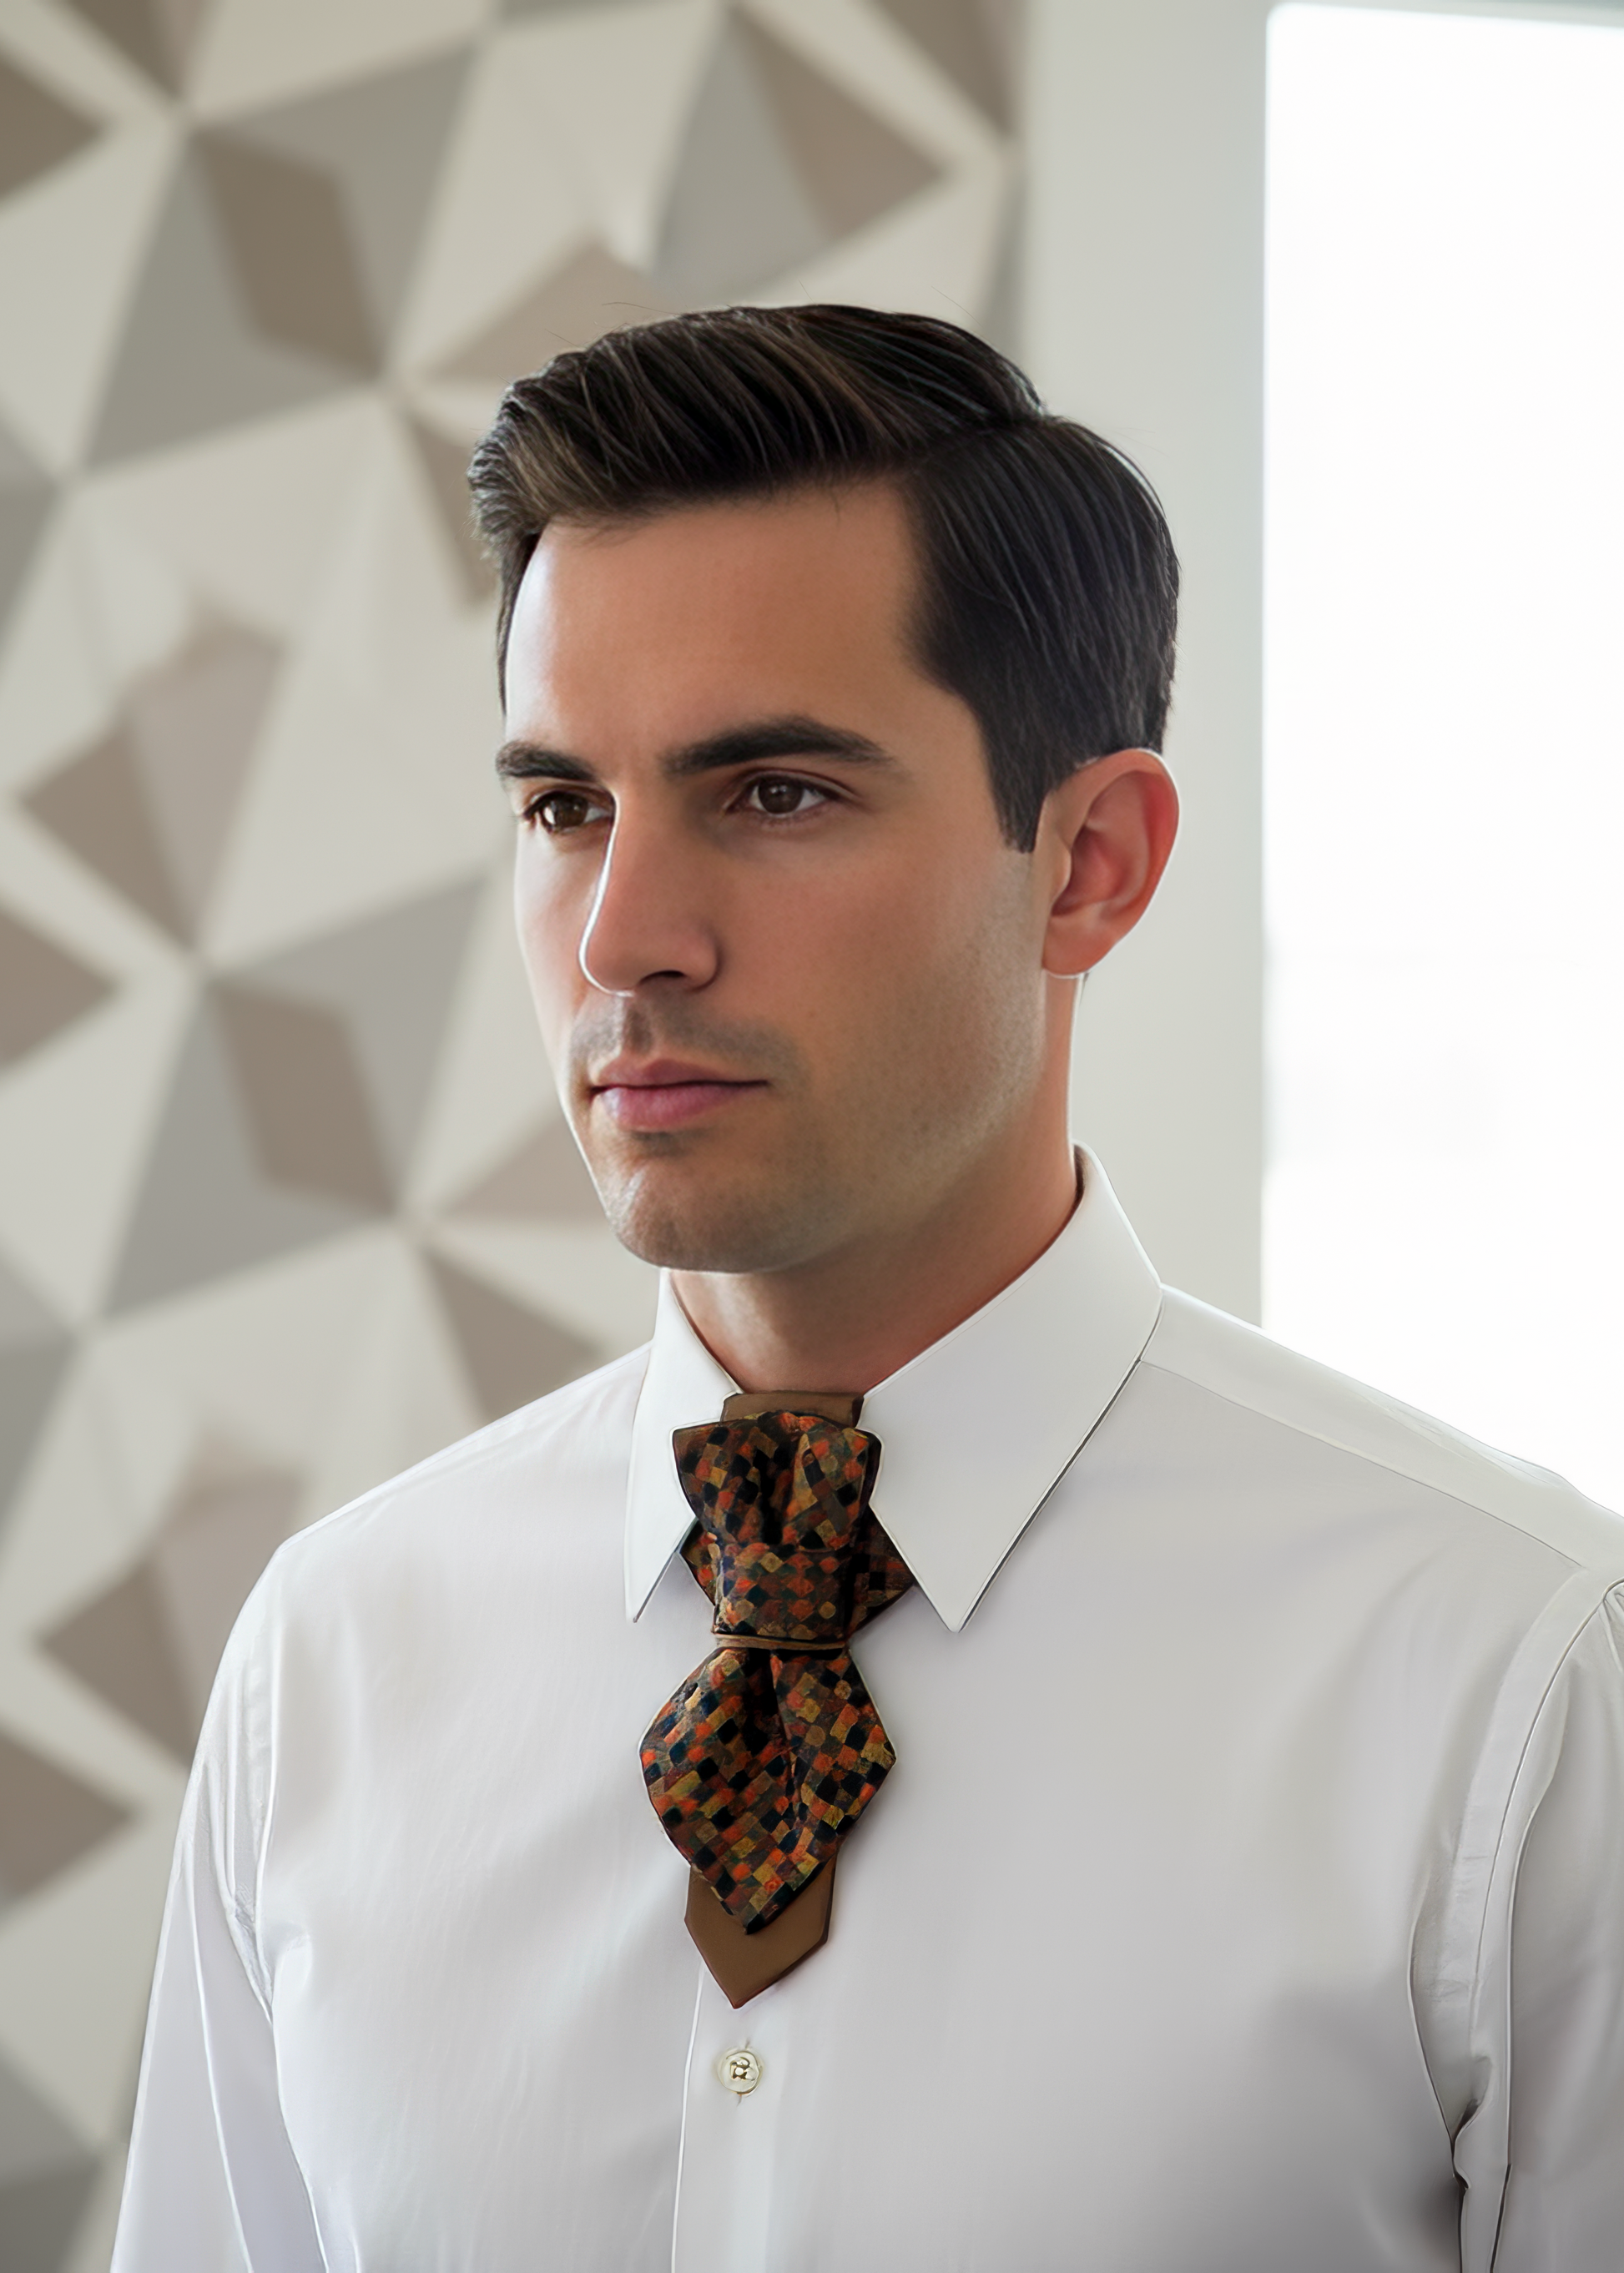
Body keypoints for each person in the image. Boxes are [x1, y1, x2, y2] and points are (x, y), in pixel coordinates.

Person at [112, 305, 1624, 2273]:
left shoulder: (1506, 1679)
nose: (625, 937)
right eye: (565, 806)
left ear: (1089, 861)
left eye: (774, 794)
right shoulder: (333, 1662)